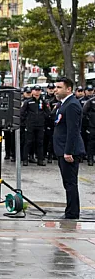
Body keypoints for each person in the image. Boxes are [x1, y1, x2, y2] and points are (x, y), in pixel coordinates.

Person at [53, 77, 86, 220]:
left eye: (59, 87)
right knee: (68, 183)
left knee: (70, 183)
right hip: (62, 148)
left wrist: (68, 151)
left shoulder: (72, 105)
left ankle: (72, 213)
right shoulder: (63, 104)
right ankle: (70, 210)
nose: (56, 90)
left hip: (69, 151)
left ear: (68, 89)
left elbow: (73, 130)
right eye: (55, 87)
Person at [23, 86, 46, 166]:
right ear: (32, 91)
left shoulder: (43, 101)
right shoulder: (28, 102)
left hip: (40, 125)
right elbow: (22, 113)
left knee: (40, 142)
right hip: (30, 125)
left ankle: (40, 159)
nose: (37, 92)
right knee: (28, 142)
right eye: (35, 90)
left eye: (38, 90)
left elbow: (47, 112)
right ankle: (25, 159)